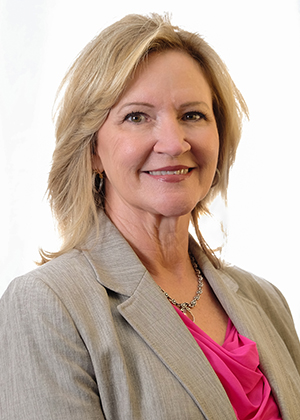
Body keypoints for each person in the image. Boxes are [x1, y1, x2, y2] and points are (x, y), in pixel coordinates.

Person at [0, 13, 299, 420]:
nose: (174, 143)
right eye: (137, 116)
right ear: (92, 150)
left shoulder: (267, 301)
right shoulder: (48, 305)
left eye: (192, 115)